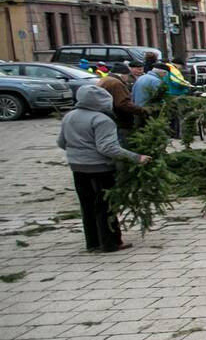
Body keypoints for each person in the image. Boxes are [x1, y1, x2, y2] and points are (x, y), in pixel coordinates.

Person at [56, 86, 152, 253]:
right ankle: (111, 243)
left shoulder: (69, 116)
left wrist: (79, 154)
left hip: (77, 168)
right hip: (100, 169)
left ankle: (92, 243)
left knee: (87, 206)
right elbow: (107, 148)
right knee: (105, 206)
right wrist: (137, 157)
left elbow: (61, 143)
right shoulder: (102, 120)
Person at [96, 63, 145, 145]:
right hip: (118, 119)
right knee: (122, 142)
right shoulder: (116, 83)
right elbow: (123, 103)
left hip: (107, 116)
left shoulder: (106, 79)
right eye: (127, 75)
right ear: (122, 75)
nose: (128, 78)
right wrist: (141, 110)